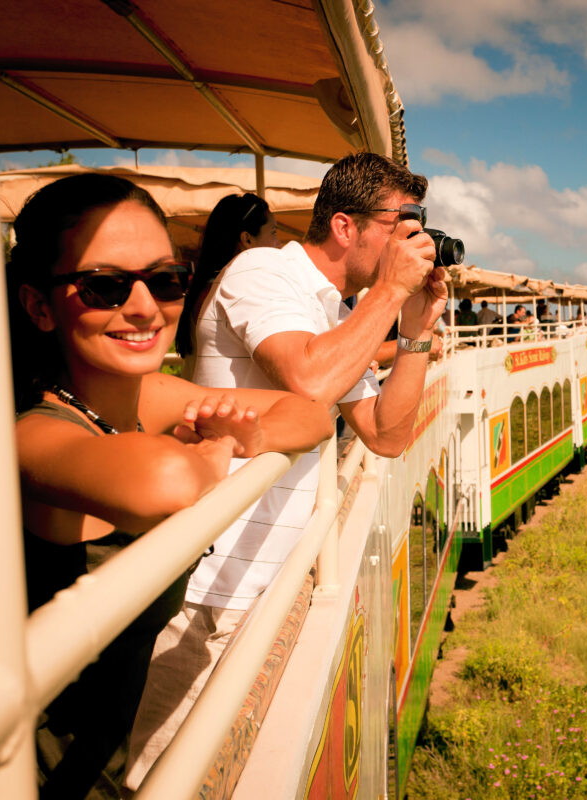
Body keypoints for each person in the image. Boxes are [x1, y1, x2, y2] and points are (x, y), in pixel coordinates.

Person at [125, 152, 447, 788]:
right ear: (346, 227)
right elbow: (309, 378)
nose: (414, 241)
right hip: (213, 590)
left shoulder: (337, 309)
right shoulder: (263, 270)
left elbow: (385, 434)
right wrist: (389, 293)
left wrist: (412, 334)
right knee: (162, 778)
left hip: (273, 577)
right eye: (400, 223)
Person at [7, 173, 332, 799]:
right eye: (104, 286)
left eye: (165, 280)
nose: (144, 308)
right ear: (39, 306)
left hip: (102, 763)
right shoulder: (31, 433)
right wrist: (215, 442)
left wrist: (242, 437)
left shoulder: (147, 396)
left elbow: (310, 413)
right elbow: (165, 479)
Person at [175, 193, 281, 372]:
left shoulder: (204, 288)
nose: (279, 244)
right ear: (247, 239)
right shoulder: (239, 290)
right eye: (273, 233)